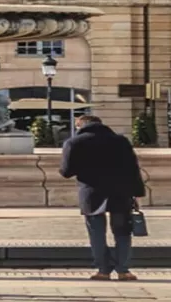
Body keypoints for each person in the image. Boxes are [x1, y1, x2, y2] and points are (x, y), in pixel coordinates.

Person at [60, 114, 145, 283]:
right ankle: (123, 271)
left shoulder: (74, 143)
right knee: (122, 232)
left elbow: (66, 171)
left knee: (96, 232)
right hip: (120, 192)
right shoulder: (120, 141)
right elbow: (133, 169)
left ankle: (103, 270)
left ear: (80, 125)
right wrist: (137, 193)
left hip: (92, 193)